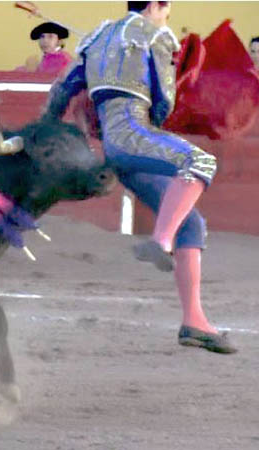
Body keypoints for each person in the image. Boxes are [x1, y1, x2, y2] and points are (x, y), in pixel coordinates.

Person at [42, 1, 237, 353]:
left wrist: (47, 126)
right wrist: (181, 73)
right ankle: (160, 241)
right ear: (157, 4)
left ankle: (194, 322)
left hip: (116, 150)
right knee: (200, 163)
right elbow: (164, 102)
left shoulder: (97, 38)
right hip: (136, 134)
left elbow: (60, 93)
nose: (168, 15)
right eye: (168, 8)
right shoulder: (156, 35)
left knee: (190, 225)